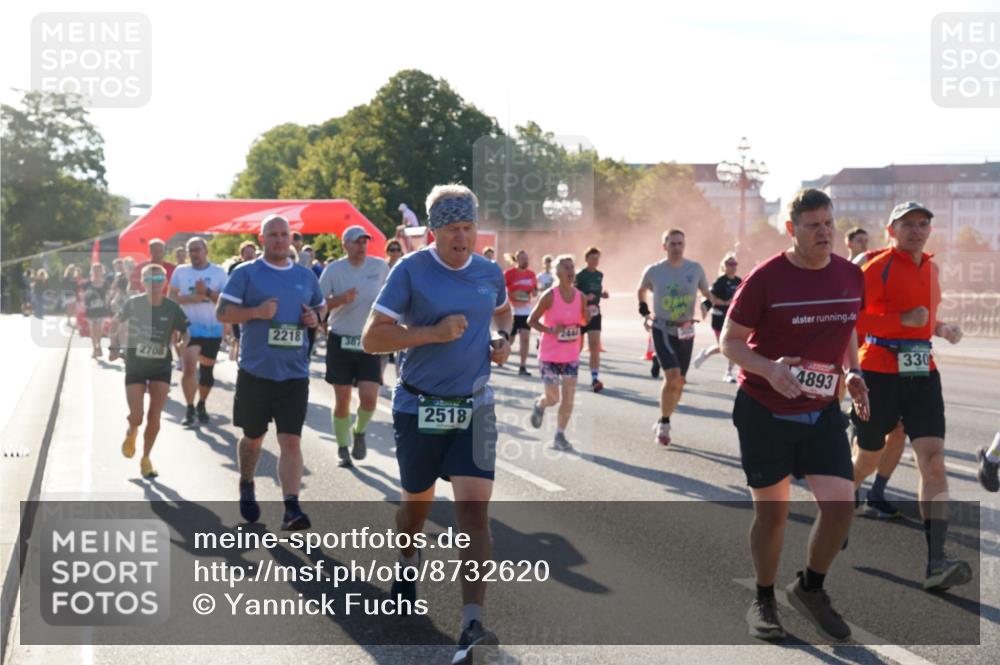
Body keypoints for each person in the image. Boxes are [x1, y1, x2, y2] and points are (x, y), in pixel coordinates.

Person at [362, 184, 511, 665]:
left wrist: (500, 338)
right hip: (419, 405)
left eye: (468, 227)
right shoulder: (410, 270)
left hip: (476, 406)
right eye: (453, 229)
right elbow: (371, 339)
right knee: (416, 510)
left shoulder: (489, 271)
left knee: (473, 512)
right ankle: (407, 560)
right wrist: (430, 334)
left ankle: (472, 623)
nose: (462, 238)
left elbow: (501, 311)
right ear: (434, 231)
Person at [721, 189, 869, 642]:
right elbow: (730, 340)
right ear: (792, 229)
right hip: (766, 409)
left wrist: (854, 372)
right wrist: (769, 369)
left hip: (821, 409)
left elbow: (846, 326)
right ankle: (764, 598)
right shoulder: (765, 279)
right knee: (774, 515)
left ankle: (810, 588)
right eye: (813, 226)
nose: (825, 233)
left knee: (841, 506)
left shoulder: (849, 275)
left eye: (829, 223)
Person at [850, 201, 971, 591]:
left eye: (923, 224)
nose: (916, 230)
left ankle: (937, 562)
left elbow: (923, 319)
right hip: (878, 373)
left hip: (921, 372)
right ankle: (840, 503)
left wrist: (942, 327)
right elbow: (852, 318)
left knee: (933, 461)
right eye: (907, 224)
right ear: (891, 231)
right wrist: (900, 321)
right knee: (866, 458)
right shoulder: (875, 266)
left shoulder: (931, 268)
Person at [217, 214, 326, 531]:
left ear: (292, 238)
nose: (280, 240)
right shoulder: (246, 274)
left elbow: (320, 308)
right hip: (256, 373)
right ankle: (247, 481)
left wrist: (314, 319)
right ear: (263, 238)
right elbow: (222, 312)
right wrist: (255, 312)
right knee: (253, 439)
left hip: (294, 374)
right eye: (273, 235)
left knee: (291, 440)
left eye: (284, 234)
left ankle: (291, 508)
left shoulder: (306, 277)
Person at [318, 225, 389, 468]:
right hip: (340, 339)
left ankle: (359, 431)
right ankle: (341, 448)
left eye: (364, 241)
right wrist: (340, 299)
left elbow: (392, 297)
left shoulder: (379, 267)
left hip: (368, 340)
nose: (361, 246)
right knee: (343, 398)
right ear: (345, 245)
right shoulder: (334, 270)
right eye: (356, 242)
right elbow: (319, 304)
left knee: (369, 398)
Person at [111, 264, 190, 479]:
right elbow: (116, 322)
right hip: (136, 366)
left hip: (161, 367)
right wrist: (113, 345)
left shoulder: (172, 307)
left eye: (158, 280)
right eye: (149, 280)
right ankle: (132, 430)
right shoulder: (133, 303)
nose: (154, 284)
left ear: (165, 282)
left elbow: (185, 331)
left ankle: (146, 458)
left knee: (155, 415)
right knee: (137, 416)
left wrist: (183, 343)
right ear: (142, 282)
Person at [638, 230, 711, 445]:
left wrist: (706, 305)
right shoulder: (654, 270)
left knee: (679, 382)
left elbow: (707, 293)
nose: (677, 248)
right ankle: (664, 422)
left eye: (680, 244)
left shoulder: (695, 269)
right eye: (672, 244)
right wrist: (644, 313)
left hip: (686, 329)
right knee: (672, 376)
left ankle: (665, 417)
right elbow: (641, 290)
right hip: (662, 328)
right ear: (665, 247)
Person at [527, 254, 588, 450]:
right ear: (558, 273)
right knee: (553, 398)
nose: (571, 271)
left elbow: (584, 322)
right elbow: (531, 320)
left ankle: (560, 435)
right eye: (566, 268)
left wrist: (588, 314)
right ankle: (541, 404)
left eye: (572, 268)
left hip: (570, 355)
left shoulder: (581, 297)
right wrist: (551, 330)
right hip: (550, 355)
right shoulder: (550, 296)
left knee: (569, 397)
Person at [169, 237, 229, 427]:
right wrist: (192, 298)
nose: (194, 253)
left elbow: (227, 300)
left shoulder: (219, 272)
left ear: (206, 250)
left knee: (206, 372)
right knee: (188, 368)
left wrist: (208, 293)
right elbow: (171, 297)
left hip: (213, 329)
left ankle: (201, 403)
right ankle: (189, 408)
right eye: (191, 250)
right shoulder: (181, 271)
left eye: (197, 249)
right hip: (189, 328)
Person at [693, 252, 742, 382]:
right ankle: (706, 353)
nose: (733, 266)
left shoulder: (739, 281)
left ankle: (729, 372)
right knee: (723, 346)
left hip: (733, 319)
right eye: (730, 264)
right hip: (719, 317)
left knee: (733, 345)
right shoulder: (720, 281)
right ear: (724, 265)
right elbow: (711, 297)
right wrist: (725, 302)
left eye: (735, 264)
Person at [575, 247, 610, 392]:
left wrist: (602, 295)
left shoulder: (599, 275)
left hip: (595, 313)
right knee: (577, 347)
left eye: (597, 258)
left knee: (595, 346)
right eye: (592, 258)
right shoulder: (580, 275)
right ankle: (571, 374)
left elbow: (596, 292)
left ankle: (594, 378)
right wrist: (584, 296)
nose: (595, 261)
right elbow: (574, 292)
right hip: (579, 313)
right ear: (586, 259)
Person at [504, 249, 538, 376]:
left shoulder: (531, 274)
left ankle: (522, 366)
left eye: (526, 258)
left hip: (525, 311)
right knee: (510, 340)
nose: (525, 261)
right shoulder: (509, 274)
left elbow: (534, 291)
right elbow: (501, 289)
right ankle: (501, 356)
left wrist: (534, 292)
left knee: (525, 339)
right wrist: (512, 294)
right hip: (512, 311)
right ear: (517, 260)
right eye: (523, 258)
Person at [227, 242, 259, 361]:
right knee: (239, 335)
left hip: (254, 305)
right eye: (247, 252)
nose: (250, 255)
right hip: (238, 305)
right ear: (242, 254)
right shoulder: (235, 268)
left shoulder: (260, 268)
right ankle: (239, 358)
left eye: (252, 252)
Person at [81, 263, 112, 358]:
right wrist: (84, 304)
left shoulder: (105, 284)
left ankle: (98, 344)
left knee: (99, 328)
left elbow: (109, 295)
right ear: (92, 271)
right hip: (90, 309)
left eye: (98, 270)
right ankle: (95, 348)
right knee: (92, 328)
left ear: (102, 271)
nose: (96, 272)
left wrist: (107, 301)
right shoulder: (87, 284)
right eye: (94, 270)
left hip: (101, 309)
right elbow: (82, 295)